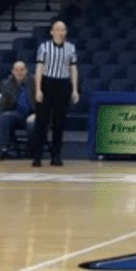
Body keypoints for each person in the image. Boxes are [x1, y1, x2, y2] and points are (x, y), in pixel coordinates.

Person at [29, 20, 79, 167]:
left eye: (63, 29)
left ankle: (56, 155)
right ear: (51, 32)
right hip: (47, 83)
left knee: (59, 122)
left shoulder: (71, 48)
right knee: (41, 122)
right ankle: (37, 155)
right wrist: (38, 89)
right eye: (57, 29)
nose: (60, 32)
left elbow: (73, 69)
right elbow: (39, 68)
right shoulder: (44, 47)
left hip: (63, 84)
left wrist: (74, 89)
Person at [0, 61, 35, 161]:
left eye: (22, 70)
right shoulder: (6, 84)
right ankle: (3, 150)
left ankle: (31, 151)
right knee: (4, 117)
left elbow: (43, 102)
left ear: (26, 71)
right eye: (16, 70)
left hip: (33, 113)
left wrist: (37, 114)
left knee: (32, 123)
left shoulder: (34, 82)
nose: (19, 72)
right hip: (18, 114)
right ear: (12, 72)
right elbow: (1, 106)